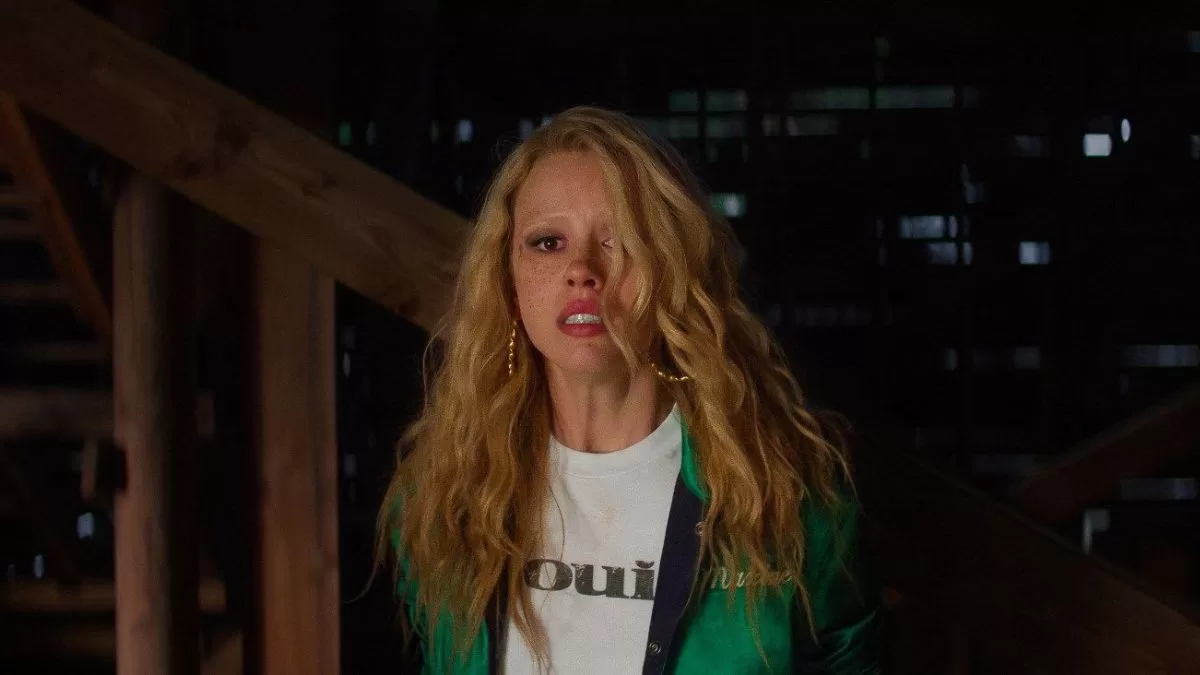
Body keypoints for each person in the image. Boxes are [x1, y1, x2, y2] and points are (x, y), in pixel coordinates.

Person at [376, 106, 882, 674]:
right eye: (548, 242)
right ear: (508, 281)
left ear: (673, 269)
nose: (582, 270)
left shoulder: (785, 494)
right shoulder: (445, 495)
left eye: (622, 239)